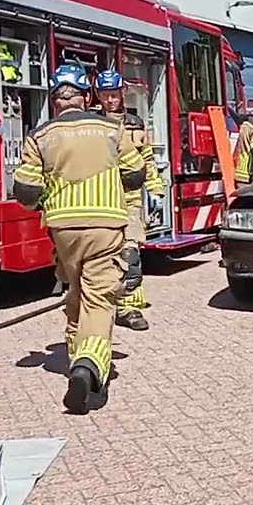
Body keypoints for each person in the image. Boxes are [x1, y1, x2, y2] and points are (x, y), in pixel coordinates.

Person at [12, 64, 147, 413]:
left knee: (76, 294)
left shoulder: (40, 136)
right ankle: (89, 365)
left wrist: (50, 195)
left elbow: (25, 191)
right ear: (86, 96)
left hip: (63, 231)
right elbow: (135, 174)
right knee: (100, 299)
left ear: (55, 100)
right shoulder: (110, 129)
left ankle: (76, 356)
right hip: (105, 227)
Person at [94, 70, 162, 332]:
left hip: (130, 198)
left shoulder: (135, 123)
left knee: (130, 251)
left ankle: (128, 309)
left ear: (122, 93)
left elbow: (146, 159)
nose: (111, 100)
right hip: (101, 197)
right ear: (98, 96)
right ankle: (104, 304)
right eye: (106, 95)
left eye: (115, 94)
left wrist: (155, 190)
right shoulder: (92, 123)